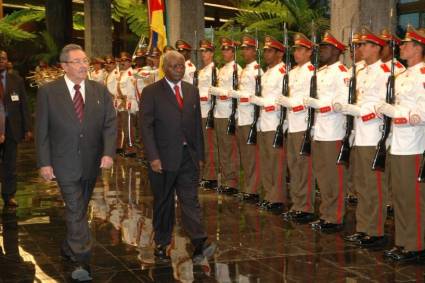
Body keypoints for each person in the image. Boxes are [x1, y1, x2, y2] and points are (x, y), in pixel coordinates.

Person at [35, 44, 117, 280]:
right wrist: (44, 163)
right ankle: (81, 260)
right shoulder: (49, 92)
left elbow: (110, 123)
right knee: (74, 206)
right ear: (64, 66)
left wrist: (108, 153)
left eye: (85, 61)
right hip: (63, 161)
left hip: (92, 162)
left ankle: (68, 247)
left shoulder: (99, 90)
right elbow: (42, 130)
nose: (84, 65)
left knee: (79, 208)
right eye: (77, 61)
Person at [140, 50, 216, 263]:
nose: (179, 70)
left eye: (181, 66)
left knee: (190, 200)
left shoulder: (191, 91)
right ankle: (162, 244)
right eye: (174, 66)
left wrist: (200, 155)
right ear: (165, 68)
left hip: (187, 156)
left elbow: (196, 127)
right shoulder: (151, 91)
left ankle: (200, 242)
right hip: (162, 158)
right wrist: (153, 157)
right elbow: (145, 127)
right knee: (163, 202)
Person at [336, 28, 390, 247]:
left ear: (376, 47)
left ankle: (375, 231)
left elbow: (383, 105)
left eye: (364, 45)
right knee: (361, 185)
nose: (359, 49)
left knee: (374, 186)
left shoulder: (385, 72)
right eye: (359, 45)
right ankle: (363, 227)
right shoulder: (359, 70)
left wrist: (359, 110)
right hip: (358, 135)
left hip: (373, 135)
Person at [378, 26, 425, 263]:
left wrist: (396, 112)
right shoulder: (401, 76)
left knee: (413, 197)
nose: (401, 47)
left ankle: (416, 245)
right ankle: (404, 241)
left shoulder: (423, 75)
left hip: (413, 146)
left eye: (406, 44)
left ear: (418, 48)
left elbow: (422, 113)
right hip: (397, 143)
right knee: (399, 197)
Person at [305, 32, 349, 233]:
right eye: (321, 47)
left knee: (334, 177)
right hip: (319, 130)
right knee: (322, 175)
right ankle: (326, 214)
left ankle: (336, 216)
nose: (321, 50)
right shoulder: (320, 72)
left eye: (325, 47)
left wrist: (320, 105)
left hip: (333, 131)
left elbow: (342, 102)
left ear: (336, 50)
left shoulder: (341, 72)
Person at [276, 33, 316, 223]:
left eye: (301, 49)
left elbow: (308, 101)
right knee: (293, 165)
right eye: (295, 49)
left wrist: (291, 104)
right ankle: (297, 203)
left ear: (309, 52)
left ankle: (305, 206)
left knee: (303, 167)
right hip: (292, 125)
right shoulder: (291, 73)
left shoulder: (312, 73)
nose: (296, 53)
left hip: (303, 125)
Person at [250, 36, 288, 214]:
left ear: (280, 54)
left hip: (275, 122)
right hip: (263, 123)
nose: (265, 53)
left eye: (269, 50)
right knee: (265, 161)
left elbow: (281, 100)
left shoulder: (282, 73)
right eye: (265, 50)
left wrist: (262, 102)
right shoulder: (266, 73)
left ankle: (277, 197)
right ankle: (268, 195)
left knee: (276, 162)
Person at [228, 35, 263, 202]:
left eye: (248, 49)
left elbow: (257, 96)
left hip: (250, 117)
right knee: (245, 156)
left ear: (255, 51)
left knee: (251, 156)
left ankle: (253, 189)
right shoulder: (245, 70)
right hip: (241, 117)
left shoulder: (257, 70)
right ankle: (248, 186)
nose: (244, 52)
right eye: (243, 49)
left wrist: (239, 95)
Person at [209, 37, 242, 195]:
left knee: (230, 149)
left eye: (227, 49)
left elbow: (235, 93)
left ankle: (232, 182)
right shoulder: (222, 69)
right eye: (223, 49)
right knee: (222, 148)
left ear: (234, 51)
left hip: (229, 112)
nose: (224, 52)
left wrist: (219, 92)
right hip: (219, 113)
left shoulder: (237, 69)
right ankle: (226, 179)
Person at [0, 50, 32, 208]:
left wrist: (27, 128)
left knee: (10, 163)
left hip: (11, 127)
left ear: (7, 61)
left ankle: (9, 195)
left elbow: (24, 105)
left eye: (3, 58)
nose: (1, 60)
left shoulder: (16, 80)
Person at [197, 39, 219, 190]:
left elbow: (213, 92)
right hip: (200, 111)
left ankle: (211, 176)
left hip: (208, 111)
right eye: (201, 52)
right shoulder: (202, 71)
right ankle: (204, 174)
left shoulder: (213, 71)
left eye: (205, 51)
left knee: (210, 145)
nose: (203, 54)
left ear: (211, 53)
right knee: (203, 145)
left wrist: (202, 97)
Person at [117, 52, 138, 157]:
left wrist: (126, 100)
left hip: (130, 102)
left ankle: (131, 149)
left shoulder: (131, 73)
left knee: (129, 127)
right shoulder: (123, 73)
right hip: (124, 102)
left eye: (125, 61)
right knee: (126, 126)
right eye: (121, 61)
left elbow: (132, 89)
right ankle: (128, 147)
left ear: (130, 62)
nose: (123, 62)